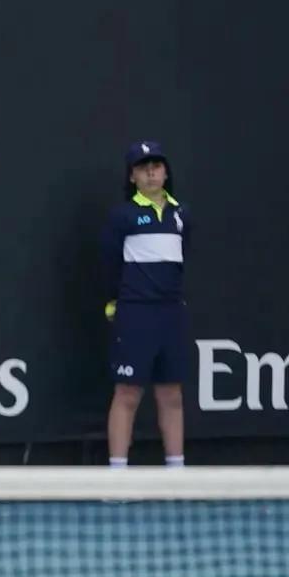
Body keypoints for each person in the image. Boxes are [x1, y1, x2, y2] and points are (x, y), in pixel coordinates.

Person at [102, 140, 190, 468]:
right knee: (127, 393)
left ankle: (176, 473)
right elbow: (110, 263)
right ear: (132, 176)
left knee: (171, 394)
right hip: (135, 314)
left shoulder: (181, 215)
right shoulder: (122, 216)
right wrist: (116, 302)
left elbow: (182, 259)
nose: (151, 173)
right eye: (143, 168)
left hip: (172, 314)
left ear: (166, 172)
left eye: (156, 166)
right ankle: (118, 474)